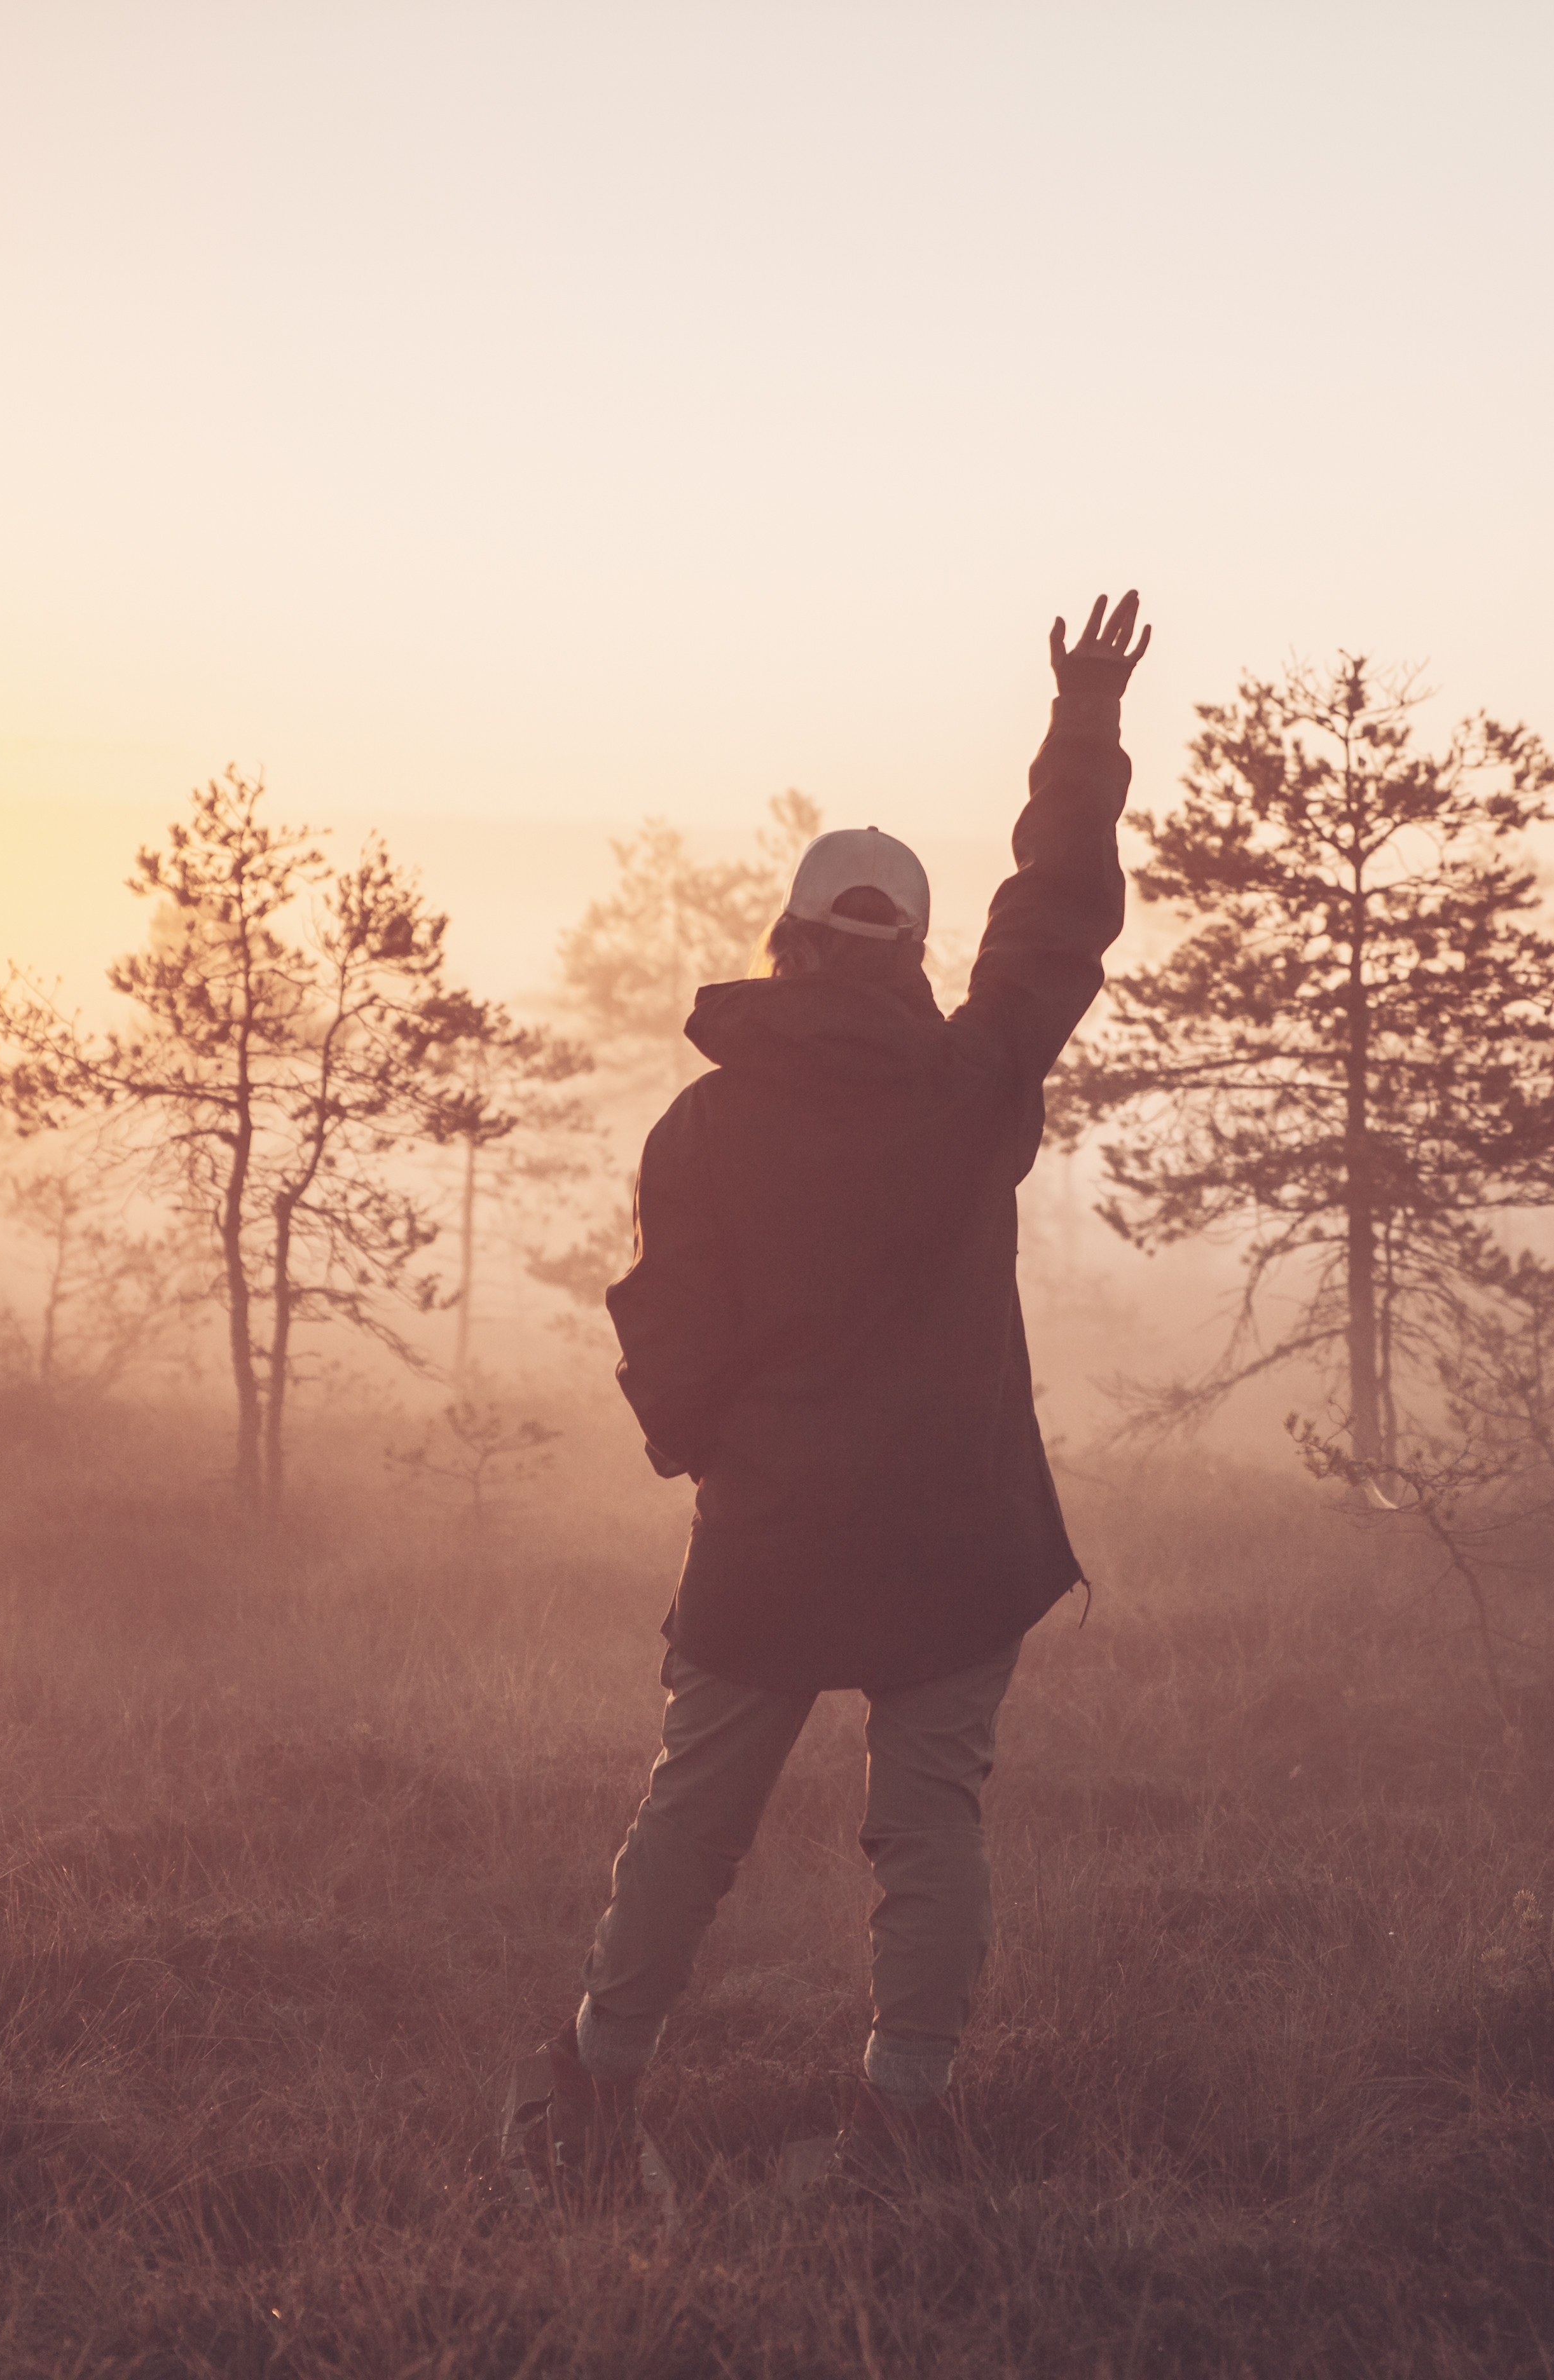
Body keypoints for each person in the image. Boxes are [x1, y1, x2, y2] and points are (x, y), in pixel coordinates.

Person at [502, 591, 1150, 2206]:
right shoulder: (974, 1081)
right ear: (912, 955)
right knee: (931, 1827)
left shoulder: (703, 1128)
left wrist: (716, 1451)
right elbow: (1054, 925)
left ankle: (596, 2088)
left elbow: (664, 1335)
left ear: (786, 943)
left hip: (775, 1531)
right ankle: (904, 2121)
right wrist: (1080, 727)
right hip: (958, 1529)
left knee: (693, 1817)